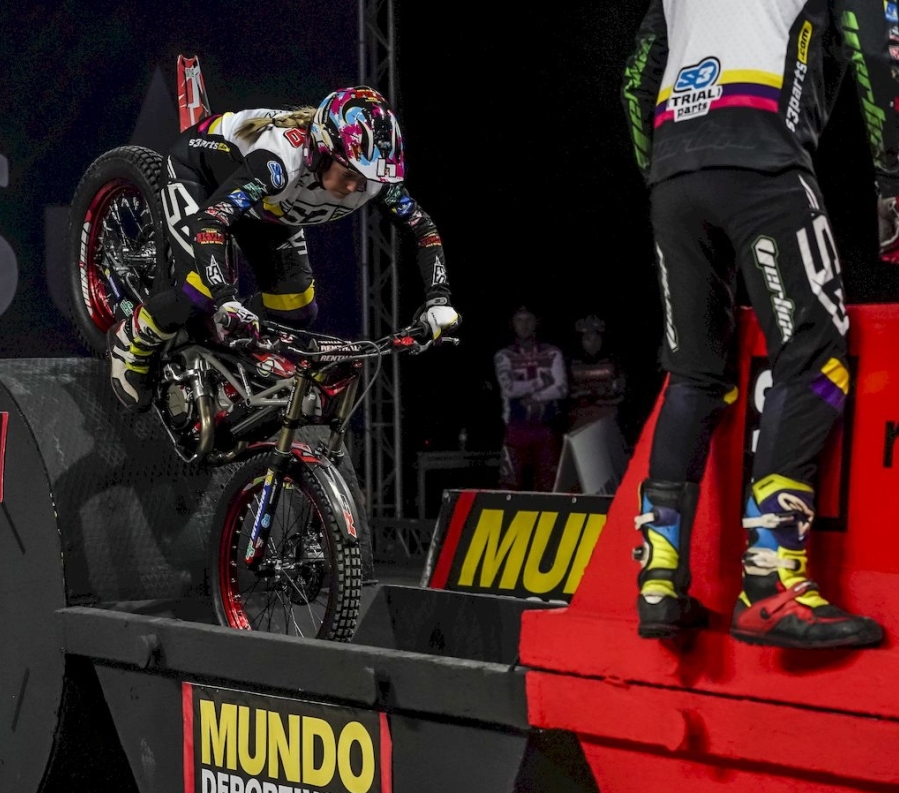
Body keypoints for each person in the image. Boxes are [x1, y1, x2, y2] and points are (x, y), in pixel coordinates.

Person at [622, 0, 899, 648]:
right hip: (762, 158)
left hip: (674, 169)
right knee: (816, 356)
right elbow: (877, 48)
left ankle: (658, 581)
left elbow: (637, 77)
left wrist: (664, 171)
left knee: (693, 375)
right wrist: (894, 182)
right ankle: (770, 581)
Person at [109, 85, 461, 409]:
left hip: (267, 208)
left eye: (367, 179)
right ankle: (131, 339)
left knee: (298, 308)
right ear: (322, 152)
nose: (356, 188)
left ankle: (218, 344)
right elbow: (211, 221)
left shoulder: (374, 182)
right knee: (199, 289)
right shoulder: (278, 163)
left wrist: (439, 300)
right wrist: (225, 299)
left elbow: (423, 230)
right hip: (201, 176)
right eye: (349, 174)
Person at [494, 306, 568, 492]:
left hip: (546, 428)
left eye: (528, 320)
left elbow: (560, 389)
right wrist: (543, 381)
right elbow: (510, 389)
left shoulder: (552, 353)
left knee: (548, 483)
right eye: (519, 320)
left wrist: (534, 396)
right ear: (513, 324)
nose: (524, 325)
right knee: (510, 484)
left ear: (536, 323)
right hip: (516, 429)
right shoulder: (504, 355)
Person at [567, 314, 626, 432]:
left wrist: (602, 399)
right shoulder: (570, 362)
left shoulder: (613, 361)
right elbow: (567, 393)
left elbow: (621, 394)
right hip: (579, 417)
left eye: (596, 339)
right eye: (588, 339)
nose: (593, 343)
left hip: (608, 416)